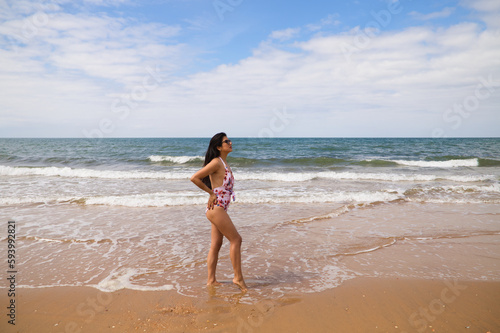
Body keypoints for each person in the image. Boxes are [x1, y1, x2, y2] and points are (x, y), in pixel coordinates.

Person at [190, 132, 248, 292]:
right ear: (218, 146)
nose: (230, 143)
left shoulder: (224, 163)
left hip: (219, 208)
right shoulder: (216, 162)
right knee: (236, 239)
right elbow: (194, 178)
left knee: (216, 244)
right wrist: (210, 193)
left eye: (229, 140)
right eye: (226, 141)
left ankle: (211, 281)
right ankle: (238, 278)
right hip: (216, 209)